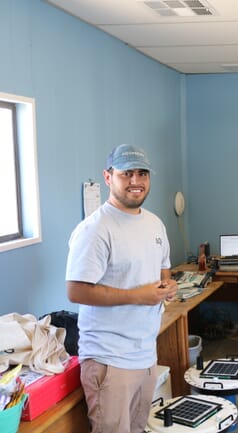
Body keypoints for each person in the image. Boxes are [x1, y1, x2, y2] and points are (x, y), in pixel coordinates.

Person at [65, 144, 178, 433]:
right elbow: (76, 291)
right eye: (127, 173)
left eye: (142, 173)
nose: (136, 181)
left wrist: (168, 286)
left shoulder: (154, 224)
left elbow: (163, 271)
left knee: (139, 428)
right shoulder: (96, 229)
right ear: (108, 177)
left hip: (145, 353)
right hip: (109, 359)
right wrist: (138, 296)